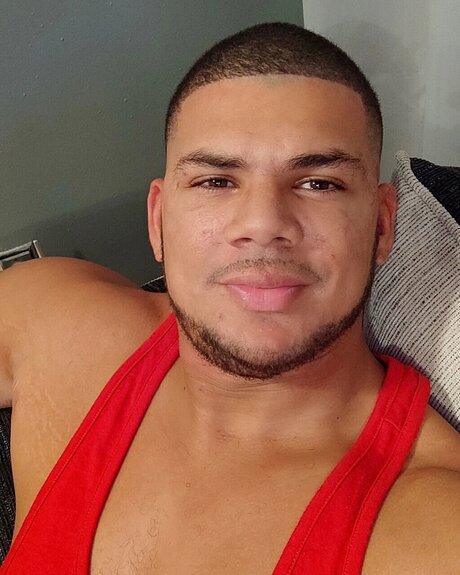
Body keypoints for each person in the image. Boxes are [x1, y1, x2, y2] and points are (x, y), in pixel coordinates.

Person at [0, 22, 459, 575]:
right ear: (158, 221)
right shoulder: (52, 321)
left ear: (382, 226)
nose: (263, 224)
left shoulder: (433, 526)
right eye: (216, 181)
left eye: (319, 182)